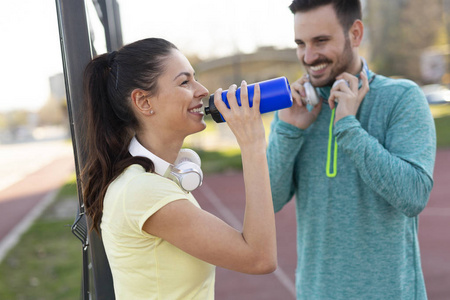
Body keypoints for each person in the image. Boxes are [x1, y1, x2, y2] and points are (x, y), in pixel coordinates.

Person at [81, 37, 277, 299]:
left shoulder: (156, 177)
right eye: (185, 82)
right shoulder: (142, 191)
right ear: (144, 102)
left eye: (194, 79)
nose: (202, 90)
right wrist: (252, 145)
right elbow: (259, 258)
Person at [267, 1, 436, 299]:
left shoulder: (402, 98)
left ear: (355, 34)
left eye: (321, 41)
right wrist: (288, 130)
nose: (308, 56)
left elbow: (414, 195)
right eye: (300, 43)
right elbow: (269, 202)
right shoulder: (296, 109)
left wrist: (347, 127)